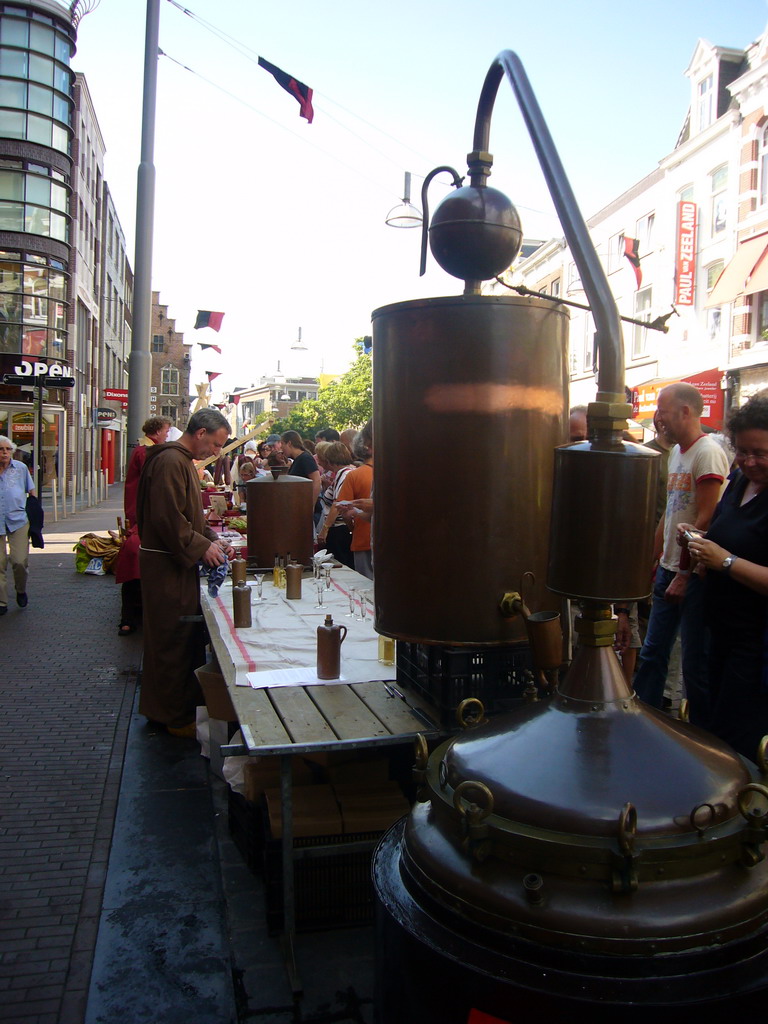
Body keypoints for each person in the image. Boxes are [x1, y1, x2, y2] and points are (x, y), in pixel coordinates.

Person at [633, 383, 730, 725]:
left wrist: (685, 574)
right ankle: (643, 720)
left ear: (686, 412)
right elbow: (671, 513)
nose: (659, 419)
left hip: (692, 574)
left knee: (693, 661)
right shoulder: (677, 453)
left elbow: (706, 520)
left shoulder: (707, 453)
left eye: (664, 411)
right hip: (668, 568)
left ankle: (704, 734)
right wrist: (656, 557)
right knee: (653, 652)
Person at [136, 409, 235, 737]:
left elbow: (188, 517)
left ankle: (165, 710)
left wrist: (211, 539)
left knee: (175, 637)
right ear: (202, 432)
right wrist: (199, 546)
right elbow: (168, 518)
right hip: (166, 566)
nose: (217, 452)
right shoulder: (171, 461)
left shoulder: (178, 461)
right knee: (172, 640)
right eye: (217, 444)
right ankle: (174, 716)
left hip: (171, 563)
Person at [683, 392, 768, 761]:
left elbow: (732, 557)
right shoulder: (738, 482)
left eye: (760, 453)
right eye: (742, 451)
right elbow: (726, 537)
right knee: (713, 724)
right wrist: (700, 543)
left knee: (739, 735)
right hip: (720, 631)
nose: (749, 461)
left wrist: (727, 561)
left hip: (757, 643)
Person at [114, 416, 172, 636]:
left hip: (141, 517)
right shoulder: (147, 452)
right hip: (144, 519)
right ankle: (136, 617)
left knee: (134, 566)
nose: (167, 435)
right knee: (138, 563)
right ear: (157, 432)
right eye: (166, 431)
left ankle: (130, 618)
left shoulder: (145, 450)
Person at [0, 435, 35, 614]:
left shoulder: (20, 469)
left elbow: (32, 491)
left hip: (18, 520)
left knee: (19, 561)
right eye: (1, 449)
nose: (4, 453)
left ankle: (20, 590)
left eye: (7, 449)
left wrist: (36, 515)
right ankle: (2, 602)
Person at [337, 421, 374, 579]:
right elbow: (371, 515)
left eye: (370, 445)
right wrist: (358, 509)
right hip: (372, 541)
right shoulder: (377, 473)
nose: (369, 450)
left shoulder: (354, 475)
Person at [316, 441, 355, 568]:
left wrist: (324, 529)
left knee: (339, 566)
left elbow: (338, 504)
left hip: (339, 529)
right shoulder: (347, 472)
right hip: (342, 528)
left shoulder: (343, 474)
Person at [282, 430, 321, 503]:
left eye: (283, 444)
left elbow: (317, 480)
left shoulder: (305, 458)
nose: (281, 448)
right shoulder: (297, 459)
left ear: (289, 443)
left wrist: (311, 505)